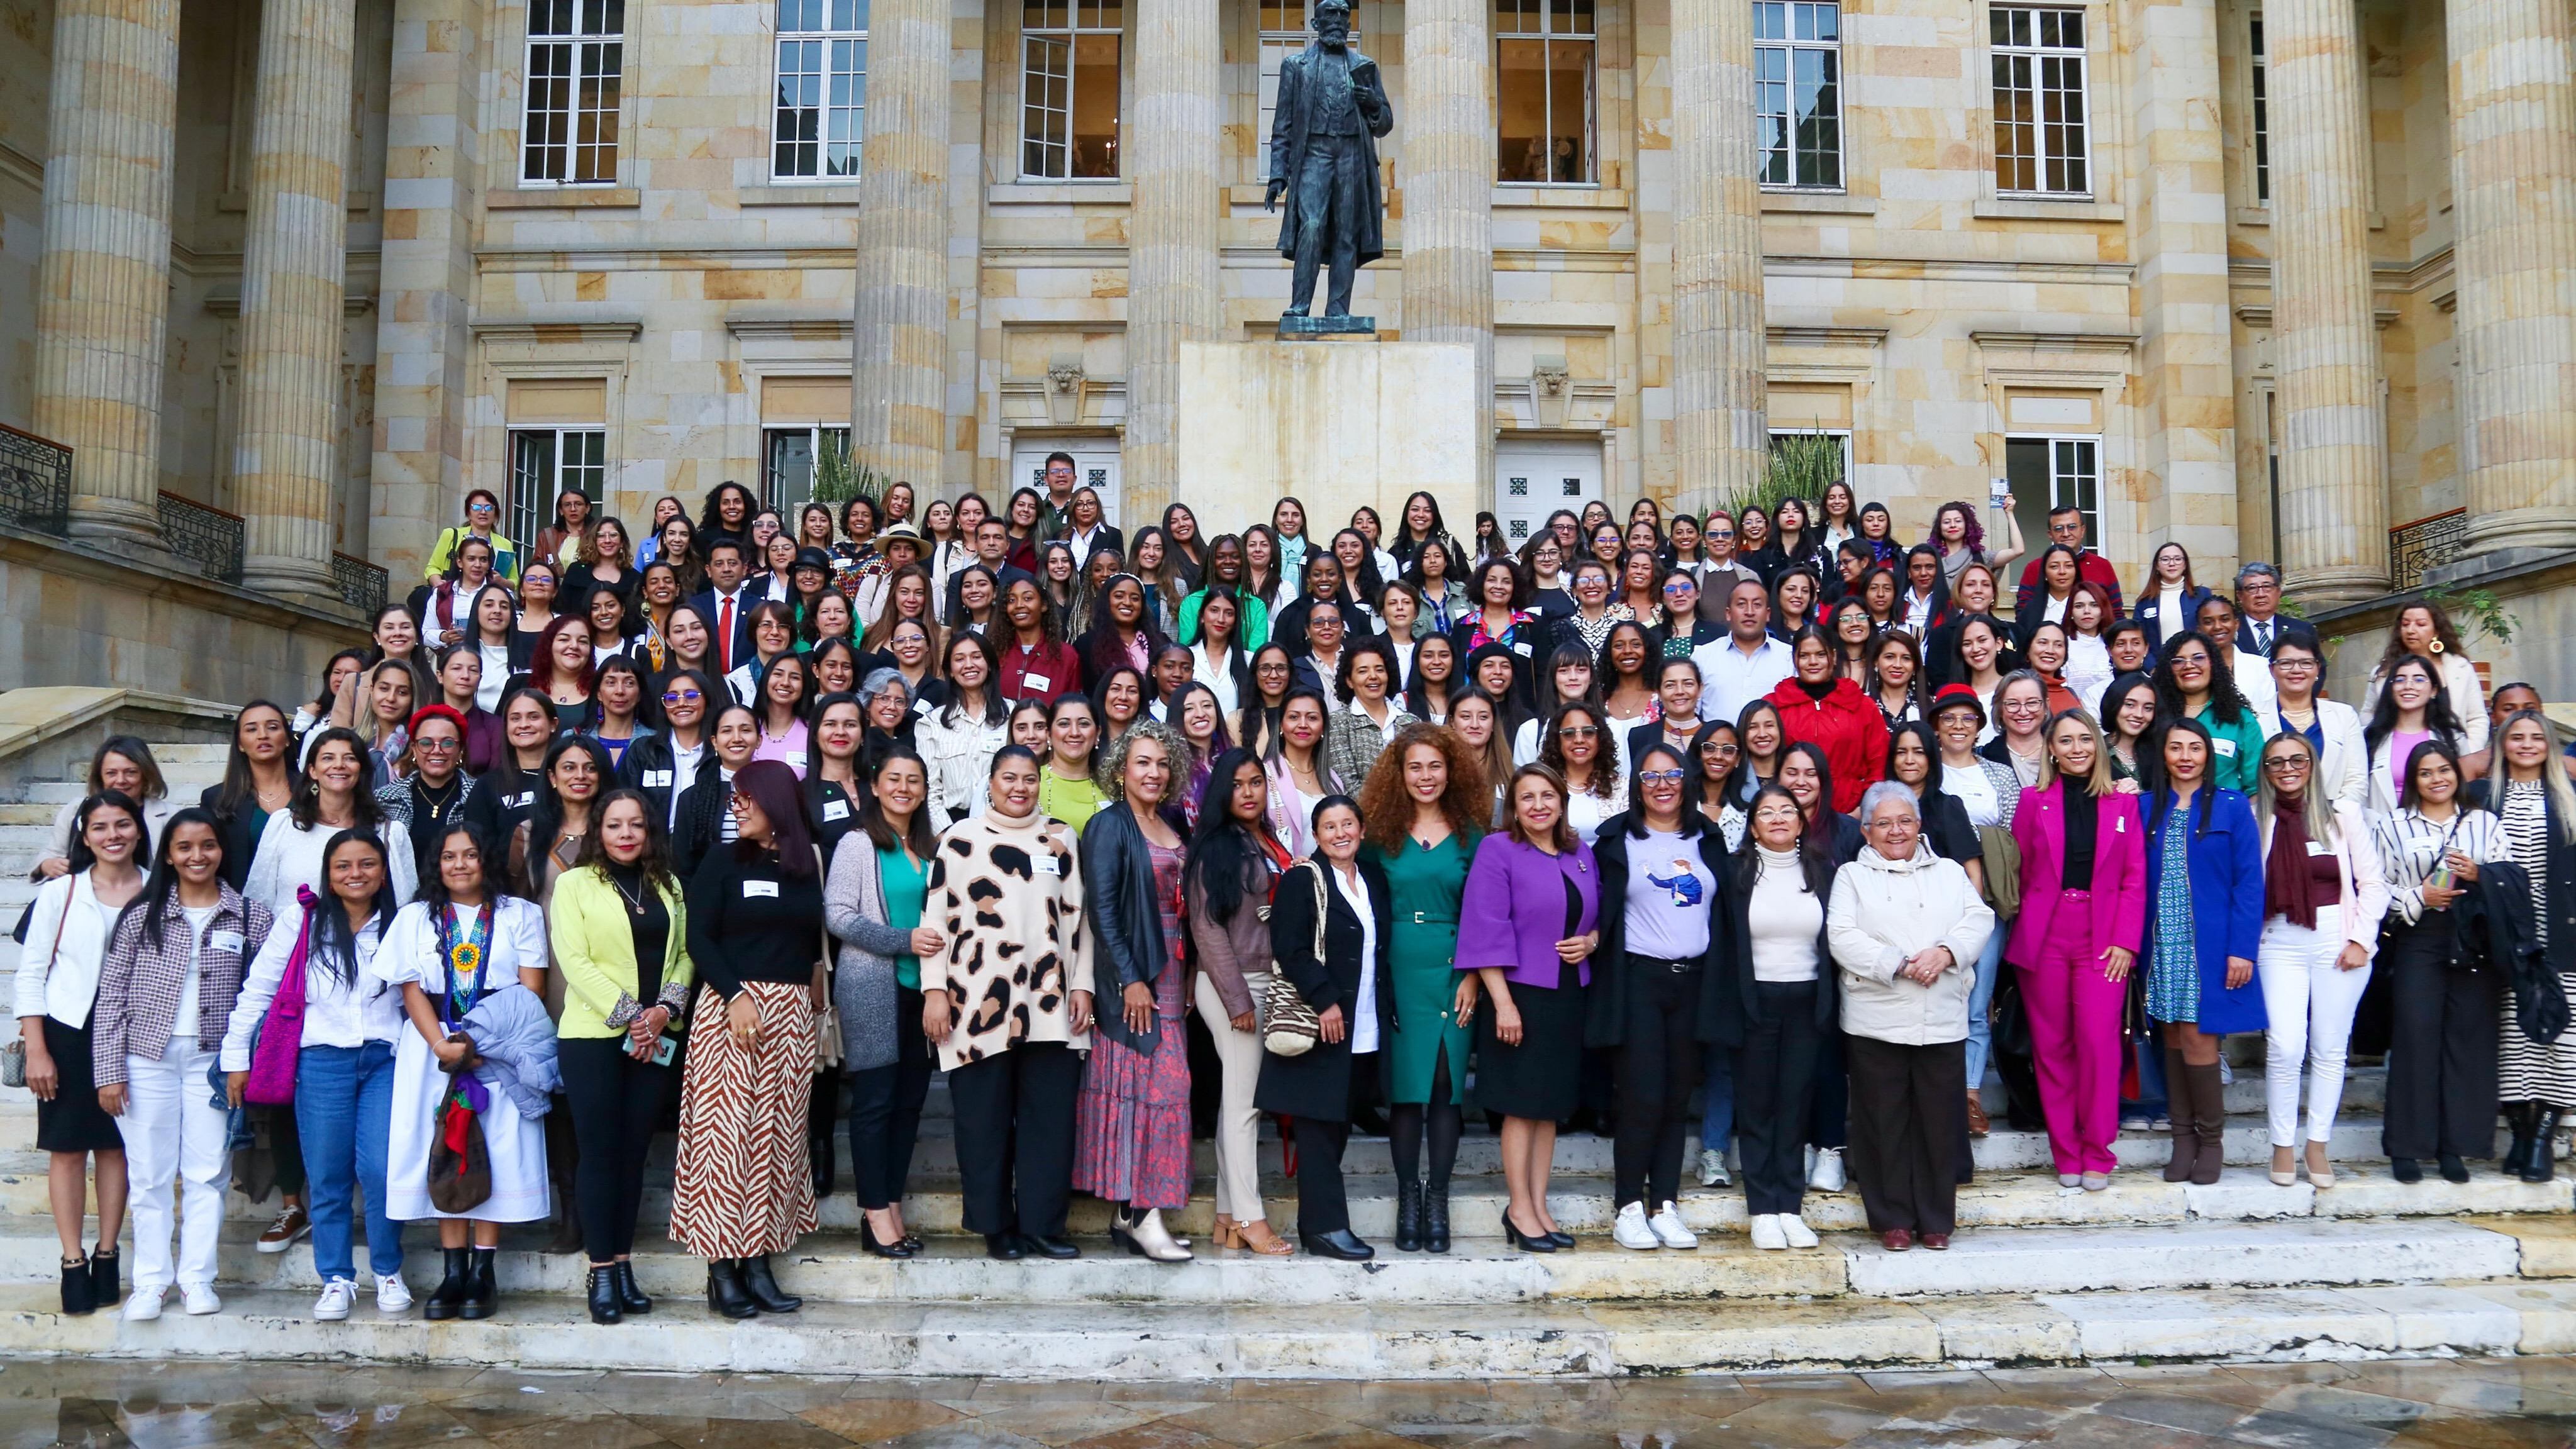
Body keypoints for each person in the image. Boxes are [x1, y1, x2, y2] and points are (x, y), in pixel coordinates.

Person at [87, 811, 272, 1319]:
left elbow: (264, 996)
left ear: (220, 851)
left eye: (207, 846)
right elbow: (111, 996)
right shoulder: (142, 914)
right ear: (168, 854)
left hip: (214, 1062)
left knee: (209, 1171)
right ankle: (150, 1282)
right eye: (185, 847)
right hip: (146, 1058)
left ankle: (196, 1279)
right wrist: (108, 1070)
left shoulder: (250, 916)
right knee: (148, 1174)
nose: (197, 856)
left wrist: (244, 1062)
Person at [221, 829, 408, 1319]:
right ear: (328, 874)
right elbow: (258, 990)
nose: (355, 874)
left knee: (381, 1171)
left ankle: (388, 1271)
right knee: (327, 1176)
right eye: (343, 866)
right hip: (321, 1061)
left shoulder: (402, 923)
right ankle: (337, 1278)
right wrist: (235, 1055)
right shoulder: (301, 921)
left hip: (385, 1061)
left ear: (384, 872)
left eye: (367, 864)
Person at [373, 821, 552, 1320]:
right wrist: (441, 1045)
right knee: (442, 1145)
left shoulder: (521, 914)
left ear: (485, 860)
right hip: (431, 1045)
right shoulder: (414, 918)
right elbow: (410, 989)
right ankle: (453, 1273)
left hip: (498, 1043)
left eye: (470, 855)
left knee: (493, 1144)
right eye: (449, 857)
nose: (459, 865)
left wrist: (476, 1044)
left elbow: (531, 989)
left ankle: (483, 1272)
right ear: (437, 864)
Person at [923, 748, 1092, 1260]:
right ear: (990, 783)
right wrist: (934, 991)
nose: (1018, 788)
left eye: (1027, 779)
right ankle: (995, 1225)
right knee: (983, 1120)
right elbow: (935, 922)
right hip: (976, 1003)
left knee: (1049, 1120)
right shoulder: (959, 840)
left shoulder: (1061, 838)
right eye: (1007, 779)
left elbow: (1079, 921)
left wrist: (1082, 985)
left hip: (1050, 1001)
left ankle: (1042, 1224)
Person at [672, 760, 823, 1316]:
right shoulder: (722, 860)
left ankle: (759, 1263)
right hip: (731, 1010)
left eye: (745, 799)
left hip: (789, 1017)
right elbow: (699, 939)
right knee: (725, 1140)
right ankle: (721, 1269)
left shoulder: (806, 867)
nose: (736, 807)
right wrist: (735, 995)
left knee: (776, 1141)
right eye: (734, 799)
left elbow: (808, 946)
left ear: (775, 802)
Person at [1829, 782, 1994, 1249]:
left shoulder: (1947, 871)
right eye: (1883, 823)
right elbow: (1841, 935)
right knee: (1883, 1121)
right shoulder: (1851, 877)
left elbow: (1977, 919)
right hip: (1875, 1016)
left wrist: (1945, 953)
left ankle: (1936, 1219)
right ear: (1865, 831)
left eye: (1904, 821)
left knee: (1939, 1122)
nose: (1895, 830)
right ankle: (1893, 1218)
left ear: (1919, 825)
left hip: (1939, 1014)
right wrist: (1899, 963)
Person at [548, 790, 692, 1323]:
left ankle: (625, 1265)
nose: (626, 834)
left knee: (633, 1155)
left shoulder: (669, 885)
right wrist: (633, 1014)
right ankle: (601, 1268)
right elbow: (574, 961)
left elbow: (682, 955)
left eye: (636, 825)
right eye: (614, 825)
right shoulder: (573, 884)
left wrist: (663, 1011)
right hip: (593, 1038)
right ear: (599, 833)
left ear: (649, 831)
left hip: (655, 1037)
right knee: (601, 1152)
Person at [1458, 764, 1599, 1253]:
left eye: (1547, 796)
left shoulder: (1580, 852)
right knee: (1521, 1107)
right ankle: (1519, 1207)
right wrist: (1503, 1004)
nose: (1538, 805)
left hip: (1568, 993)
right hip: (1520, 994)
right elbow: (1483, 927)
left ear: (1562, 801)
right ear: (1514, 807)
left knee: (1550, 1109)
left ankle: (1540, 1205)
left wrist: (1593, 939)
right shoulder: (1499, 850)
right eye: (1527, 798)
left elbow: (1596, 912)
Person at [1352, 726, 1483, 1253]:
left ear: (1450, 771)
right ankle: (1409, 1197)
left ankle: (1439, 1200)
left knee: (1446, 1089)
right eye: (1415, 768)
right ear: (1398, 774)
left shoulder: (1474, 834)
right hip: (1398, 971)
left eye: (1434, 767)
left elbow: (1486, 913)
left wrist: (1474, 974)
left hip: (1456, 970)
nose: (1425, 777)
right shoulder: (1379, 834)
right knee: (1407, 1092)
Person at [1072, 723, 1197, 1262]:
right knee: (1156, 1093)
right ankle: (1145, 1215)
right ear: (1121, 769)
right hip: (1135, 979)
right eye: (1142, 762)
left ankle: (1132, 1214)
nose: (1153, 772)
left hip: (1172, 972)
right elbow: (1101, 910)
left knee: (1162, 1095)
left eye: (1162, 764)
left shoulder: (1169, 822)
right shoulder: (1107, 826)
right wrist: (1132, 980)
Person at [1590, 745, 1722, 1251]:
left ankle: (1664, 1204)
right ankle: (1627, 1205)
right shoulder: (1617, 839)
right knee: (1643, 1095)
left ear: (1687, 782)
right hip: (1638, 980)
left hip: (1694, 981)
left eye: (1672, 775)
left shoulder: (1705, 837)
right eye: (1651, 776)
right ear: (1637, 784)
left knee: (1675, 1097)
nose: (1662, 785)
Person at [2007, 711, 2146, 1191]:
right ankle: (2065, 1153)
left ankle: (2097, 1152)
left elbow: (2133, 879)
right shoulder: (2032, 801)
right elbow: (2022, 874)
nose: (2077, 748)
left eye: (2085, 738)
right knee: (2052, 1048)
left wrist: (2127, 941)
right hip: (2045, 934)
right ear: (2051, 749)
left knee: (2099, 1043)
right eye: (2065, 740)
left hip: (2104, 935)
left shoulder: (2123, 805)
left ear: (2099, 745)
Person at [19, 794, 147, 1316]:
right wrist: (37, 1049)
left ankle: (108, 1252)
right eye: (100, 827)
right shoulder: (62, 893)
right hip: (69, 1028)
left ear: (139, 830)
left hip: (135, 1031)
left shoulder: (157, 889)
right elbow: (31, 972)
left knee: (116, 1147)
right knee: (68, 1149)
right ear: (85, 835)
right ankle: (73, 1260)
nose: (112, 835)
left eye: (122, 824)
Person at [1255, 795, 1395, 1260]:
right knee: (1318, 1129)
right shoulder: (1303, 878)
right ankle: (1325, 1228)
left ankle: (1321, 1224)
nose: (1340, 833)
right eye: (1329, 827)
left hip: (1366, 1025)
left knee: (1337, 1127)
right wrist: (1325, 1000)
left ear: (1361, 828)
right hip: (1323, 1023)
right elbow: (1290, 947)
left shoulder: (1372, 879)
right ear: (1316, 836)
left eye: (1348, 823)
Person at [2372, 738, 2517, 1184]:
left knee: (2467, 1041)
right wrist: (2419, 895)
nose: (2437, 779)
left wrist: (2480, 874)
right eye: (2426, 772)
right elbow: (2375, 886)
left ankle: (2456, 1147)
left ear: (2458, 773)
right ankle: (2407, 1147)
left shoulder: (2484, 822)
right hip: (2420, 936)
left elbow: (2510, 876)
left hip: (2473, 937)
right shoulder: (2393, 825)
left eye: (2444, 770)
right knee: (2416, 1036)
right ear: (2413, 781)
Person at [2251, 730, 2389, 1189]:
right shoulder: (2257, 817)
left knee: (2329, 1048)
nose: (2288, 769)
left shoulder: (2343, 814)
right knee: (2286, 1045)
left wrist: (2361, 941)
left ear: (2312, 763)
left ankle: (2318, 1144)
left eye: (2297, 760)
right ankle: (2283, 1145)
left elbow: (2373, 883)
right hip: (2279, 940)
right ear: (2265, 770)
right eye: (2276, 762)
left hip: (2337, 938)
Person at [1706, 785, 1834, 1250]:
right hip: (1753, 1001)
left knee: (1794, 1106)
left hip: (1807, 1002)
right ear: (1753, 825)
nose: (1778, 818)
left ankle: (1790, 1207)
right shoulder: (1735, 873)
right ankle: (1763, 1209)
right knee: (1757, 1107)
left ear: (1802, 822)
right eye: (1767, 812)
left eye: (1788, 811)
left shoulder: (1823, 870)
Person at [826, 748, 941, 1258]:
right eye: (894, 779)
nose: (903, 788)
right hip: (873, 986)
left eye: (913, 781)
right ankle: (875, 1216)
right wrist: (905, 940)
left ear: (923, 790)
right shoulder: (858, 844)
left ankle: (892, 1206)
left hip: (924, 989)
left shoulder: (931, 847)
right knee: (875, 1105)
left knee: (909, 1104)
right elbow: (840, 917)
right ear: (875, 786)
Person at [2142, 720, 2267, 1186]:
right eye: (2176, 747)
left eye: (2195, 747)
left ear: (2208, 756)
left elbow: (2249, 883)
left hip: (2209, 944)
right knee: (2171, 1037)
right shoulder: (2146, 807)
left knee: (2199, 1038)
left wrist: (2242, 949)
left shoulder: (2233, 808)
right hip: (2162, 941)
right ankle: (2182, 1141)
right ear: (2165, 754)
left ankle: (2211, 1142)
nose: (2186, 756)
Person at [1182, 751, 1295, 1256]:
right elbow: (1206, 930)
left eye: (1257, 783)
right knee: (1247, 1104)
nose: (1249, 793)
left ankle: (1227, 1215)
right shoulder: (1214, 849)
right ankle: (1252, 1217)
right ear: (1221, 793)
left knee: (1239, 1100)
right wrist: (1237, 1000)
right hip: (1233, 985)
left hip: (1264, 979)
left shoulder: (1265, 840)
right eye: (1238, 785)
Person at [2482, 709, 2576, 1181]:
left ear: (2549, 745)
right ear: (2502, 745)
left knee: (2561, 1036)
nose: (2525, 744)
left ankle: (2542, 1137)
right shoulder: (2483, 797)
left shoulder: (2569, 797)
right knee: (2512, 1037)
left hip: (2561, 930)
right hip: (2506, 935)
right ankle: (2519, 1133)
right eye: (2515, 737)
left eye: (2535, 737)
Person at [1766, 626, 1889, 813]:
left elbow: (1879, 763)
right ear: (1794, 659)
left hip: (1850, 811)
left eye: (1821, 654)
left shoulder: (1862, 705)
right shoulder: (1774, 704)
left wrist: (1862, 809)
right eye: (1805, 655)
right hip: (1786, 812)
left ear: (1833, 656)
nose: (1813, 662)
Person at [37, 738, 182, 878]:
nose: (120, 780)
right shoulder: (75, 810)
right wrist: (48, 865)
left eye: (131, 772)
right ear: (100, 777)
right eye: (111, 773)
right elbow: (52, 852)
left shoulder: (171, 816)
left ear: (145, 774)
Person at [2365, 602, 2493, 756]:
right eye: (2405, 624)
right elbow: (2368, 714)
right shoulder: (2383, 673)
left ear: (2436, 631)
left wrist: (2469, 753)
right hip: (2396, 756)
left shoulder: (2460, 667)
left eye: (2420, 624)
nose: (2411, 630)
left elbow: (2477, 717)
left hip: (2453, 757)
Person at [2153, 632, 2266, 796]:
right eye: (2178, 661)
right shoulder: (2154, 715)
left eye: (2198, 658)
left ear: (2213, 663)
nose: (2189, 665)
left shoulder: (2240, 718)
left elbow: (2256, 787)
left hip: (2225, 818)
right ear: (2168, 669)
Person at [2362, 653, 2469, 815]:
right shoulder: (2369, 737)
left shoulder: (2452, 738)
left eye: (2419, 679)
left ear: (2434, 690)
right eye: (2400, 680)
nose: (2408, 685)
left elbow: (2465, 791)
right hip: (2381, 832)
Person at [1695, 576, 1796, 727]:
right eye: (1741, 604)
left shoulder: (1789, 656)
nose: (1749, 612)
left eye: (1757, 605)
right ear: (1728, 613)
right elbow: (1691, 713)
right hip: (1719, 749)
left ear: (1768, 614)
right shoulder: (1703, 656)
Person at [425, 487, 521, 584]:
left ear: (495, 514)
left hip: (489, 596)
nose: (483, 512)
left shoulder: (505, 544)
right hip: (453, 595)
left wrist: (503, 582)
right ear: (468, 513)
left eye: (489, 508)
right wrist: (439, 586)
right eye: (477, 507)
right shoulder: (451, 535)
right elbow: (432, 568)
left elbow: (515, 580)